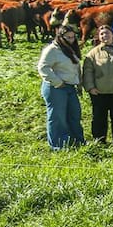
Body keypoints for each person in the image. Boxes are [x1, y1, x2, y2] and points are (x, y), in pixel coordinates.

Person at [37, 22, 85, 150]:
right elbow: (43, 68)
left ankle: (76, 140)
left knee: (74, 114)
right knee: (57, 117)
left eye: (73, 37)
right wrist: (58, 82)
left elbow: (75, 68)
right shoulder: (52, 50)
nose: (71, 40)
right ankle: (58, 145)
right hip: (56, 88)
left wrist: (79, 84)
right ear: (60, 37)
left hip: (70, 86)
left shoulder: (70, 49)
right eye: (68, 37)